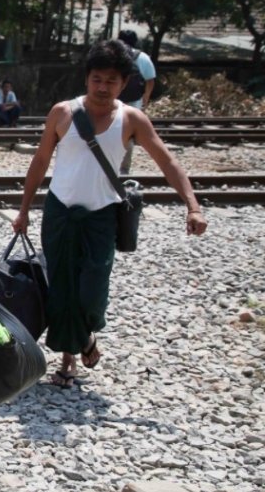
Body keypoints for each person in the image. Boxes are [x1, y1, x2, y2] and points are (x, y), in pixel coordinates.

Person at [11, 40, 207, 388]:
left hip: (101, 217)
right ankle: (68, 359)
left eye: (111, 81)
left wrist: (192, 204)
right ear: (87, 78)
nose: (102, 87)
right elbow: (40, 161)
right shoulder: (62, 113)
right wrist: (24, 210)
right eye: (96, 79)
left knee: (92, 291)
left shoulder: (132, 119)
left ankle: (85, 336)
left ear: (125, 83)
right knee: (62, 287)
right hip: (60, 213)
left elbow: (167, 160)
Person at [116, 30, 157, 174]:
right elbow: (150, 79)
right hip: (134, 101)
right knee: (128, 133)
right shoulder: (143, 57)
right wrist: (145, 98)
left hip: (112, 99)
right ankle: (124, 168)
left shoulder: (112, 54)